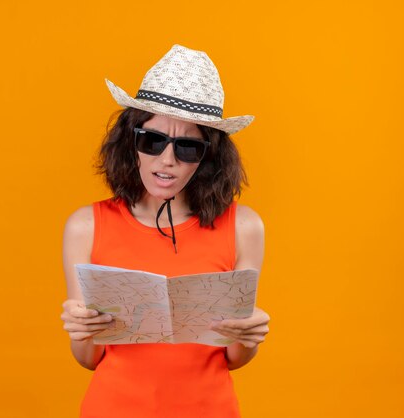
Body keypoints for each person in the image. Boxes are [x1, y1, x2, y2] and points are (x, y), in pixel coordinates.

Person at [60, 44, 271, 418]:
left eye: (187, 147)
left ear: (208, 156)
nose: (167, 160)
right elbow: (88, 359)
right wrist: (82, 330)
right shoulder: (85, 226)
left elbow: (234, 359)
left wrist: (248, 338)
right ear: (131, 141)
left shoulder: (243, 226)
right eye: (153, 141)